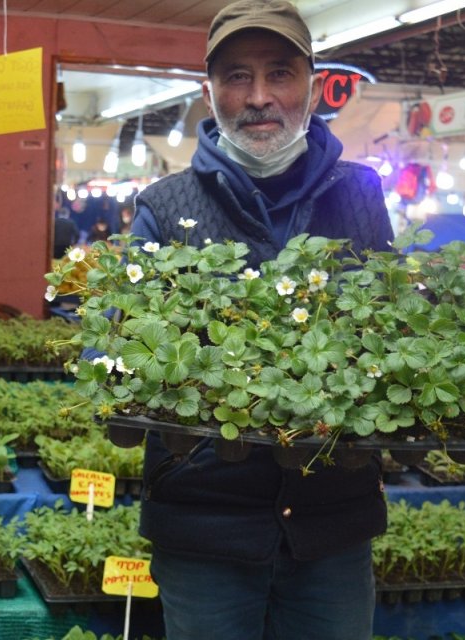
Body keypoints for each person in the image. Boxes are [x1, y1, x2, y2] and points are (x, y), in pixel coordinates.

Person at [128, 1, 393, 638]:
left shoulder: (359, 193)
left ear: (312, 85)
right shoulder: (164, 207)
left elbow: (394, 327)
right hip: (206, 530)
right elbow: (121, 347)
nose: (259, 97)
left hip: (332, 524)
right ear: (209, 91)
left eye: (279, 73)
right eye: (237, 77)